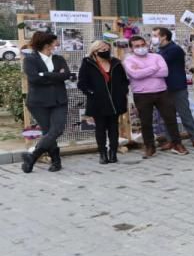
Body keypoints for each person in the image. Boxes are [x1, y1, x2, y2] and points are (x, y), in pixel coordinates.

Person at [124, 34, 187, 158]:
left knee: (170, 119)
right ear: (131, 48)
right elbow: (135, 75)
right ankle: (149, 147)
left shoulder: (157, 56)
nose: (141, 47)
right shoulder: (128, 60)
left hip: (162, 92)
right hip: (142, 94)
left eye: (143, 45)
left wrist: (143, 70)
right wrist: (153, 68)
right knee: (146, 122)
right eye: (137, 46)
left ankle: (177, 144)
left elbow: (164, 72)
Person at [21, 31, 71, 173]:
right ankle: (56, 161)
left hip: (59, 100)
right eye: (55, 41)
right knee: (48, 131)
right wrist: (56, 75)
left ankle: (32, 156)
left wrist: (45, 74)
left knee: (57, 129)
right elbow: (34, 79)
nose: (57, 43)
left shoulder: (59, 58)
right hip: (38, 103)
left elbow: (66, 75)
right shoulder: (30, 59)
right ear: (47, 44)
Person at [76, 39, 129, 164]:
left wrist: (123, 91)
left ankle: (113, 153)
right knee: (100, 128)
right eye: (103, 50)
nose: (106, 51)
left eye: (107, 49)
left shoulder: (115, 62)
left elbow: (124, 80)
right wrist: (92, 93)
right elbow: (82, 83)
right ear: (95, 52)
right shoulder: (88, 63)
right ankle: (102, 153)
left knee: (113, 128)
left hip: (115, 101)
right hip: (98, 102)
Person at [154, 27, 194, 149]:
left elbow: (160, 64)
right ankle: (171, 140)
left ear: (164, 36)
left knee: (184, 114)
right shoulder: (159, 50)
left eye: (155, 35)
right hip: (163, 88)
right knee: (167, 116)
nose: (153, 38)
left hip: (177, 87)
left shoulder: (174, 49)